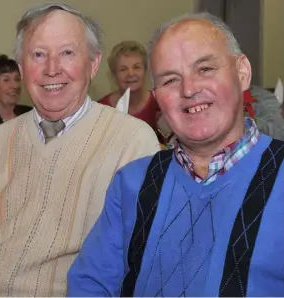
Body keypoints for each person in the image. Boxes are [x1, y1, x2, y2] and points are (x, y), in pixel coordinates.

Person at [0, 3, 159, 297]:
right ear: (21, 68)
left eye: (67, 53)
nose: (51, 68)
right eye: (38, 55)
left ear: (93, 64)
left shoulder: (132, 141)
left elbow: (136, 262)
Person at [67, 12, 284, 297]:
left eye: (205, 69)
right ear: (157, 97)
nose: (189, 89)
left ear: (242, 72)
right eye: (170, 80)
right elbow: (90, 285)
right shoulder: (133, 184)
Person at [98, 41, 164, 143]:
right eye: (123, 69)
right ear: (114, 75)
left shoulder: (160, 102)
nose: (131, 73)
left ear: (145, 71)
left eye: (136, 67)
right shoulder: (101, 109)